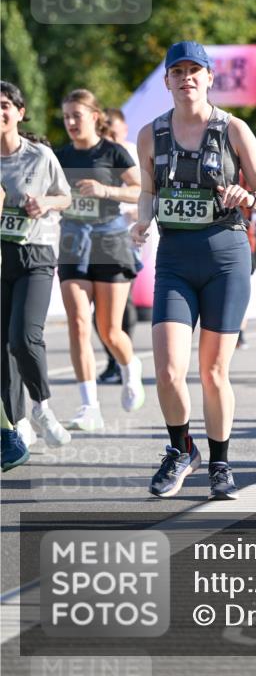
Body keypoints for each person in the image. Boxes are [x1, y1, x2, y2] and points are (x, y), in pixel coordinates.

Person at [132, 42, 256, 499]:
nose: (187, 77)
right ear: (167, 81)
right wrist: (142, 219)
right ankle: (180, 450)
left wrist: (249, 198)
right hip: (174, 258)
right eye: (178, 71)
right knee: (169, 369)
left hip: (225, 256)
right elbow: (148, 192)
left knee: (213, 372)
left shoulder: (233, 130)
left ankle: (220, 464)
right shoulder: (150, 134)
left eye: (195, 70)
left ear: (210, 78)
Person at [56, 89, 144, 430]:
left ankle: (129, 365)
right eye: (66, 117)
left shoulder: (113, 152)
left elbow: (140, 191)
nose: (71, 123)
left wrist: (106, 190)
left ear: (95, 116)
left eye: (77, 115)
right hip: (72, 243)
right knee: (78, 323)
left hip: (109, 242)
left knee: (108, 330)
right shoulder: (59, 155)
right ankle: (89, 406)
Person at [1, 81, 72, 448]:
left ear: (19, 112)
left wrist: (43, 203)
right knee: (2, 346)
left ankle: (42, 407)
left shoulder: (39, 156)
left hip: (36, 255)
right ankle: (16, 426)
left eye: (4, 106)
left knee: (24, 337)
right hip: (1, 258)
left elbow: (66, 197)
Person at [95, 107, 139, 385]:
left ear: (124, 128)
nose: (109, 131)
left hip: (127, 236)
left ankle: (123, 357)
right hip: (97, 237)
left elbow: (146, 191)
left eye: (114, 127)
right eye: (105, 126)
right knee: (98, 309)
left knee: (124, 302)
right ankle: (114, 359)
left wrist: (136, 215)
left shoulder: (132, 153)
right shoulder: (98, 155)